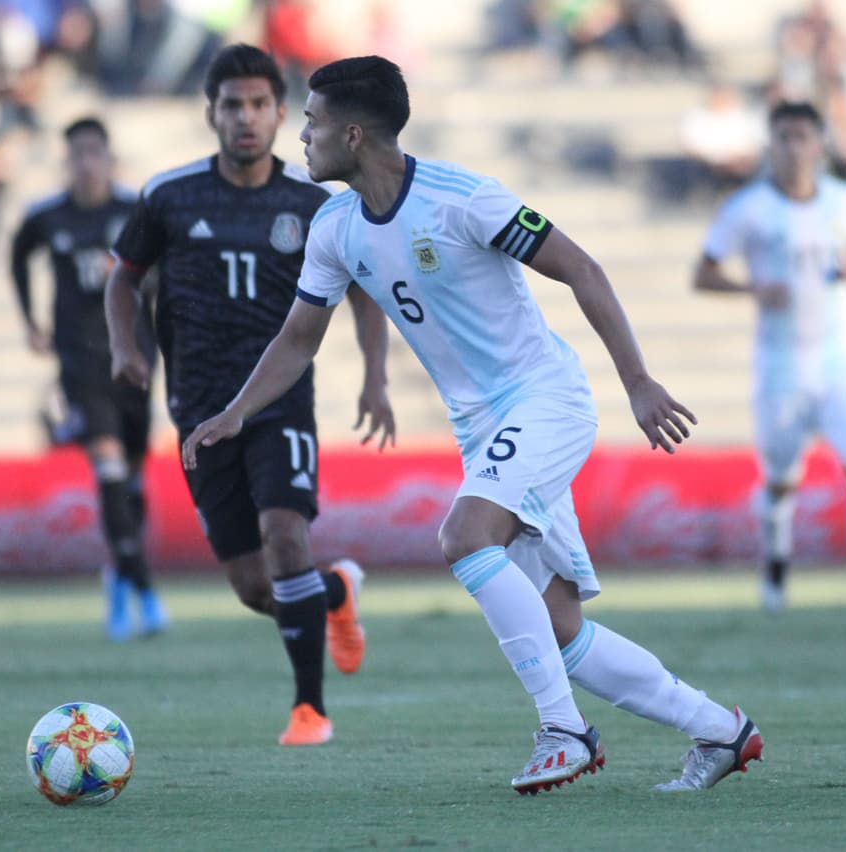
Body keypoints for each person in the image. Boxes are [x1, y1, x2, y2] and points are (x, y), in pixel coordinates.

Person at [183, 55, 762, 794]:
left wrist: (638, 383)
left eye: (312, 122)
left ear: (354, 134)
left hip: (544, 399)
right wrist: (236, 412)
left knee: (463, 537)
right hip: (483, 429)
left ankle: (565, 731)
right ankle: (721, 730)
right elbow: (299, 339)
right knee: (561, 631)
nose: (302, 136)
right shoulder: (333, 226)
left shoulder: (464, 199)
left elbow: (581, 268)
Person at [106, 44, 395, 747]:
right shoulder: (169, 196)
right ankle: (335, 593)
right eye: (232, 104)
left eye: (260, 104)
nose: (246, 117)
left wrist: (375, 376)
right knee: (254, 585)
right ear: (212, 113)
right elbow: (121, 277)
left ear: (277, 113)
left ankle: (309, 711)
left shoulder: (312, 200)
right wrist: (125, 347)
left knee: (285, 536)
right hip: (198, 409)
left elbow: (362, 291)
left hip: (279, 401)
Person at [693, 101, 846, 637]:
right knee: (780, 484)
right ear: (772, 144)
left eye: (803, 136)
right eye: (784, 136)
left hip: (842, 361)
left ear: (820, 144)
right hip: (780, 366)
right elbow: (703, 272)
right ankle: (776, 566)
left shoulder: (844, 200)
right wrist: (751, 288)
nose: (793, 147)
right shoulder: (748, 208)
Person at [10, 116, 168, 642]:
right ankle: (144, 595)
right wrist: (31, 321)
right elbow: (17, 255)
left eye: (94, 151)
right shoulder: (48, 218)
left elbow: (163, 274)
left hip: (136, 361)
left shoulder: (132, 212)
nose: (86, 162)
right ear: (66, 159)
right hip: (79, 365)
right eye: (76, 153)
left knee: (134, 482)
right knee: (108, 471)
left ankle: (120, 580)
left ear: (108, 157)